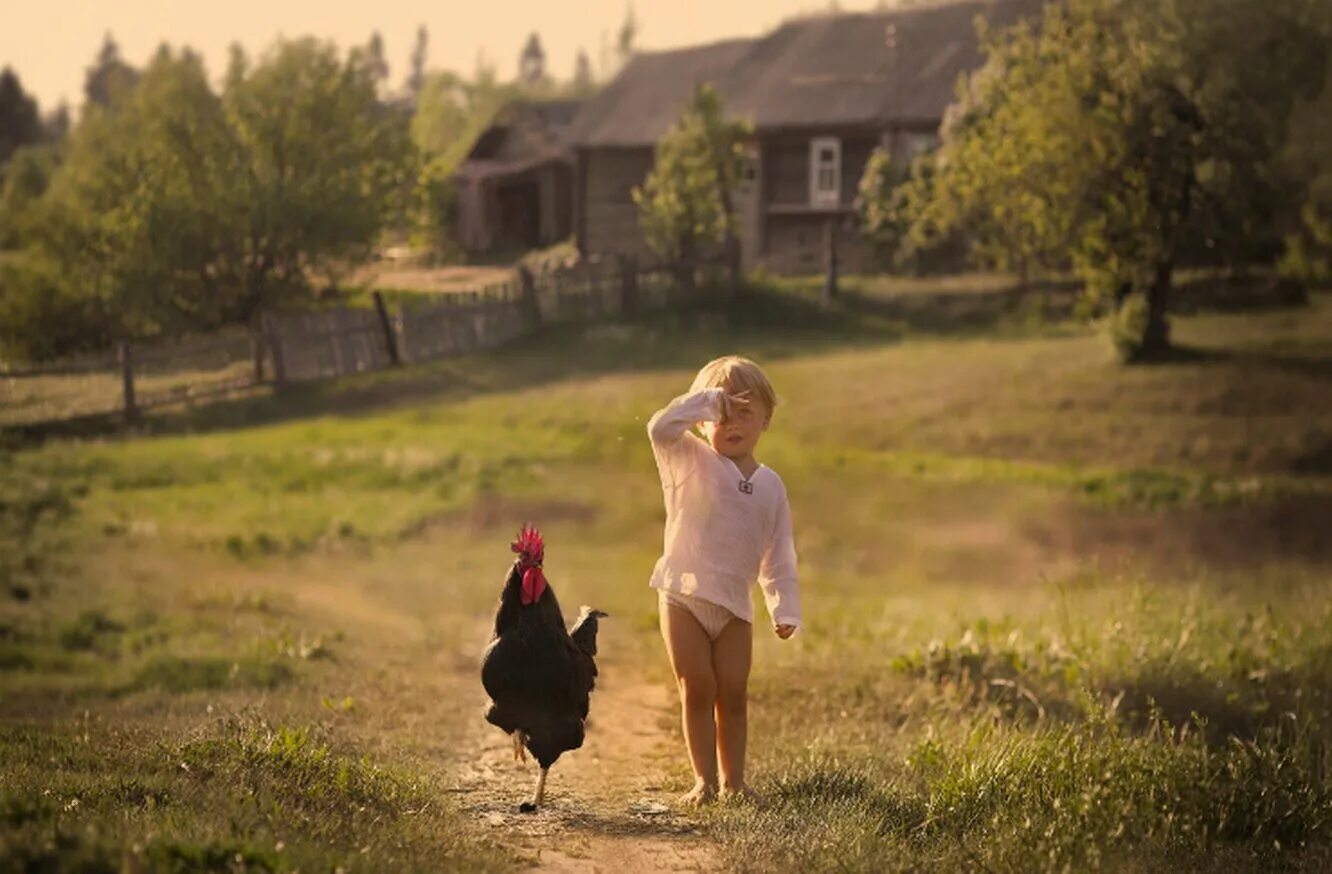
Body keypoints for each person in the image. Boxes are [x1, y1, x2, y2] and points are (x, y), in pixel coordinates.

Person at [646, 355, 802, 805]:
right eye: (722, 415)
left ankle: (735, 782)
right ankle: (704, 781)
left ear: (766, 419)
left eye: (745, 413)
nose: (732, 424)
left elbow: (780, 554)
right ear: (703, 422)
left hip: (735, 605)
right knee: (698, 688)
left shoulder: (772, 486)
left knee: (732, 694)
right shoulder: (688, 459)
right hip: (684, 596)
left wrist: (784, 606)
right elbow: (659, 427)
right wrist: (706, 401)